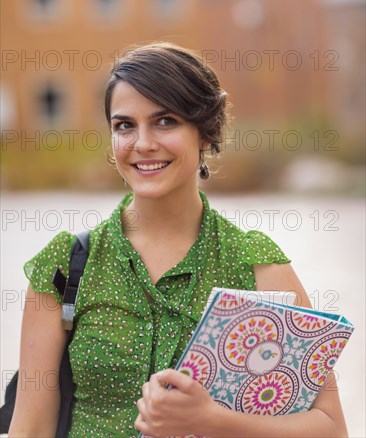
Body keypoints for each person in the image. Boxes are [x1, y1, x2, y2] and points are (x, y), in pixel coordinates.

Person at [9, 42, 348, 437]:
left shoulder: (257, 265)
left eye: (166, 121)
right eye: (124, 125)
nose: (143, 143)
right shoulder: (66, 265)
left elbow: (330, 427)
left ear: (206, 133)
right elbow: (30, 428)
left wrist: (212, 421)